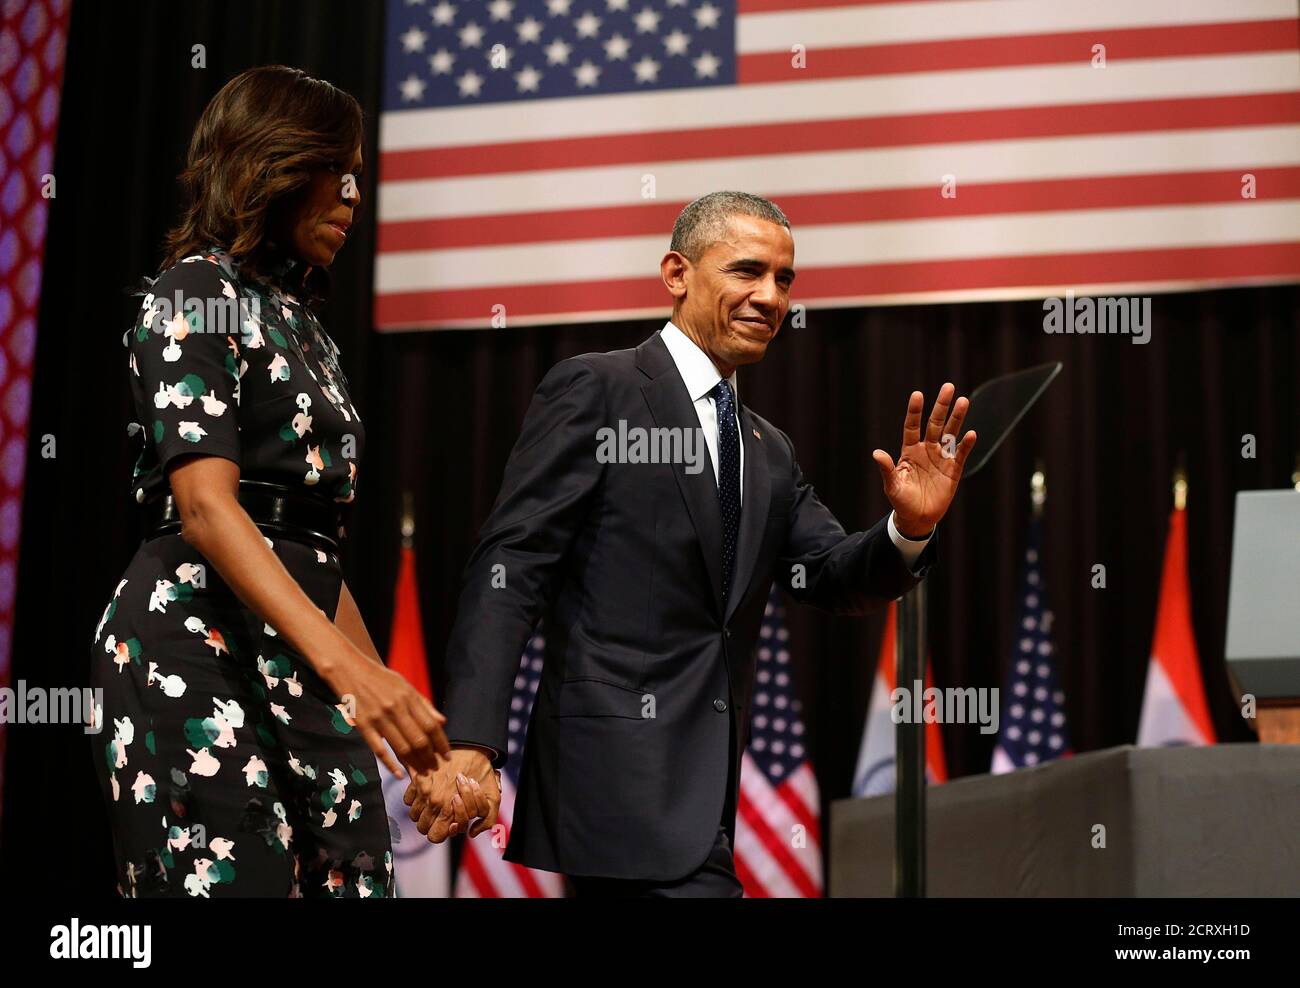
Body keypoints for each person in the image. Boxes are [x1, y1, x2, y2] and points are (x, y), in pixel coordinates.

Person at [404, 191, 977, 896]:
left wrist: (908, 530)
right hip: (611, 787)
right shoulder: (599, 388)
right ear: (677, 273)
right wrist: (471, 740)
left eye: (785, 279)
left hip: (706, 801)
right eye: (746, 271)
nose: (770, 297)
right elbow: (511, 565)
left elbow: (829, 576)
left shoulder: (767, 448)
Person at [90, 65, 448, 898]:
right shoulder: (192, 294)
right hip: (192, 642)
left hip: (302, 653)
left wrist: (412, 736)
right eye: (340, 170)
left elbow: (311, 548)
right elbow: (208, 510)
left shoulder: (310, 333)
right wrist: (353, 675)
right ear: (277, 164)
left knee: (358, 878)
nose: (356, 196)